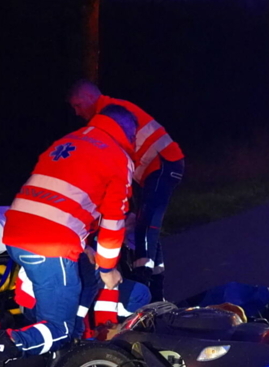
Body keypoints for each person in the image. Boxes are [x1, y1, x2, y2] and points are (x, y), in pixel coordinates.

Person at [0, 104, 136, 367]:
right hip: (51, 243)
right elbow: (113, 220)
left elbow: (64, 197)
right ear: (128, 134)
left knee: (85, 277)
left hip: (16, 233)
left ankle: (62, 349)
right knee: (59, 327)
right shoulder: (117, 157)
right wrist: (109, 267)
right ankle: (1, 348)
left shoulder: (68, 141)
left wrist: (89, 252)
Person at [67, 80, 184, 301]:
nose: (76, 112)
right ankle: (156, 293)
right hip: (154, 168)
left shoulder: (109, 115)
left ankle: (143, 283)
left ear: (90, 97)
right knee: (145, 226)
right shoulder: (109, 111)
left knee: (145, 224)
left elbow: (114, 162)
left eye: (78, 105)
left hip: (162, 162)